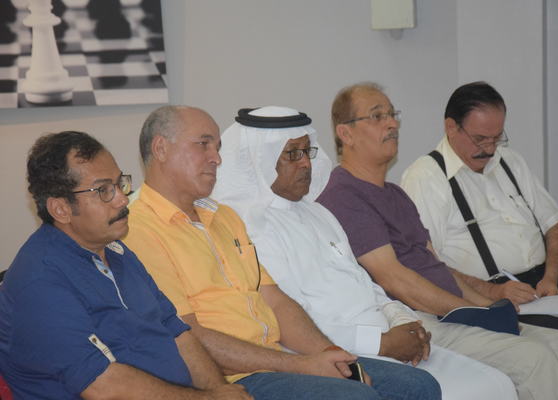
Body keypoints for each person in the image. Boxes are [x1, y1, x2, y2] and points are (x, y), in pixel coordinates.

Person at [123, 105, 441, 400]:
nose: (216, 158)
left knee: (417, 386)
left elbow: (274, 300)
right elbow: (186, 335)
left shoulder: (223, 217)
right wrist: (300, 365)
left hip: (276, 359)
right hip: (229, 377)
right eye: (203, 145)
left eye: (217, 147)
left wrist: (328, 354)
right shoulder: (138, 228)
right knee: (356, 396)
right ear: (161, 148)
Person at [211, 105, 518, 400]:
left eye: (307, 151)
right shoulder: (248, 227)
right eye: (293, 153)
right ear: (259, 160)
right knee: (435, 388)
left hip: (387, 338)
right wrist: (382, 343)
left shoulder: (319, 214)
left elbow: (364, 282)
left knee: (492, 383)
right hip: (331, 351)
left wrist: (403, 321)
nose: (305, 163)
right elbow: (293, 321)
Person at [316, 83, 558, 400]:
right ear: (346, 134)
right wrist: (468, 311)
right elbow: (394, 279)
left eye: (392, 114)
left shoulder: (395, 195)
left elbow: (436, 266)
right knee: (535, 359)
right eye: (377, 116)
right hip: (417, 319)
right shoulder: (345, 195)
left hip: (450, 310)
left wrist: (488, 307)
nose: (392, 123)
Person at [0, 131, 251, 399]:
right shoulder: (39, 282)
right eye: (103, 191)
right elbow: (102, 385)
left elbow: (178, 334)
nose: (122, 199)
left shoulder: (116, 250)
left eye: (120, 184)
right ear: (61, 209)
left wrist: (219, 390)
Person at [401, 81, 558, 336]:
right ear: (451, 127)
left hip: (542, 288)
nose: (489, 149)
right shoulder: (425, 177)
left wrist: (550, 278)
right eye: (480, 139)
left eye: (497, 138)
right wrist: (494, 291)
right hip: (485, 300)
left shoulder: (510, 161)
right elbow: (426, 263)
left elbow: (555, 225)